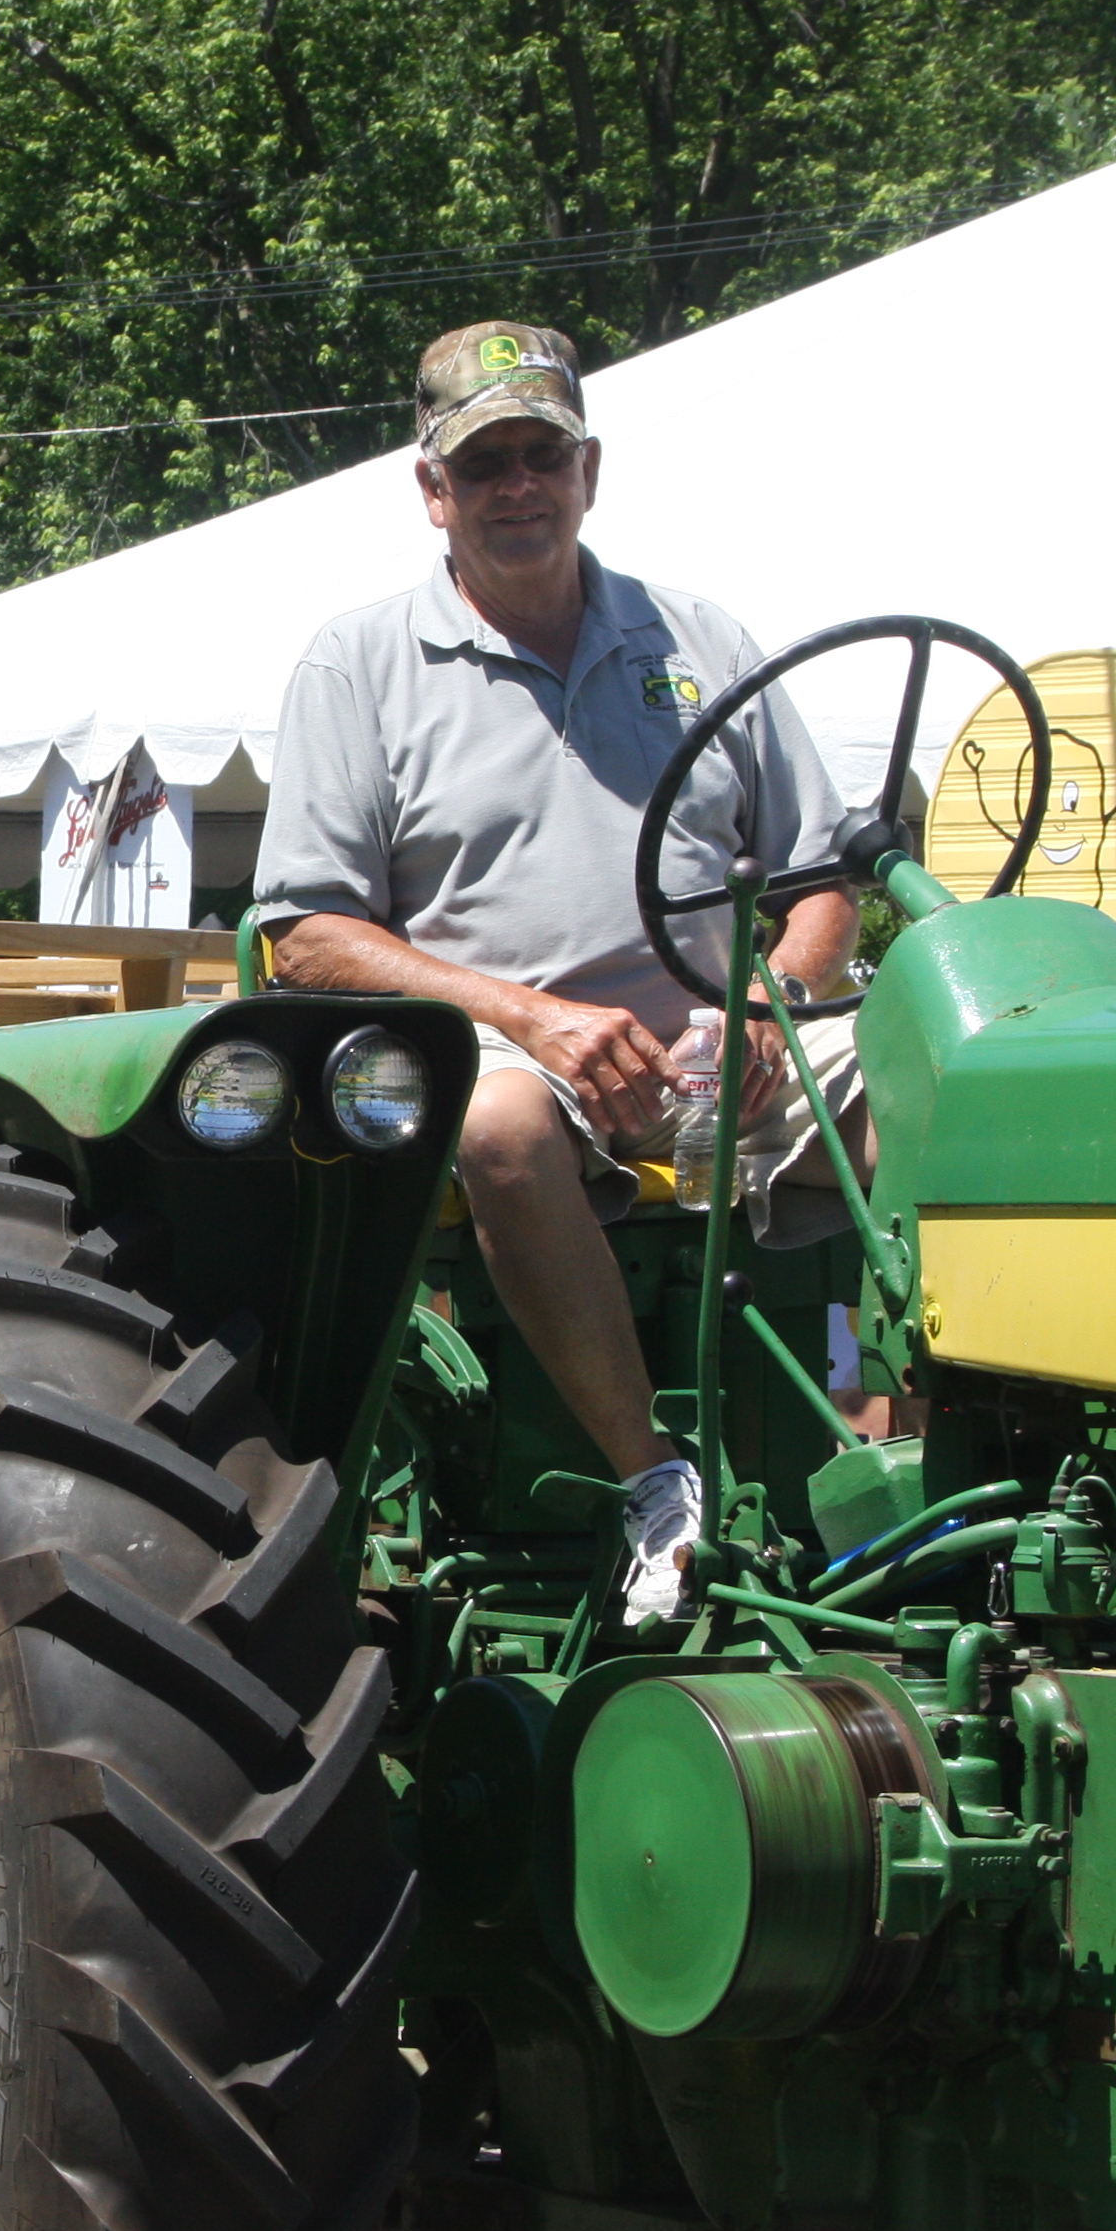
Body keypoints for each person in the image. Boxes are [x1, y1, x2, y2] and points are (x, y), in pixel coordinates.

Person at [250, 322, 859, 1629]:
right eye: (485, 467)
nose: (518, 487)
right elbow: (304, 933)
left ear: (591, 470)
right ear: (433, 493)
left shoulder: (698, 637)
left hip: (720, 1080)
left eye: (544, 456)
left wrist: (765, 1005)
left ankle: (930, 1474)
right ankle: (657, 1487)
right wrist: (536, 1019)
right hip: (518, 1061)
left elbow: (820, 885)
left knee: (950, 1082)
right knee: (500, 1119)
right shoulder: (361, 665)